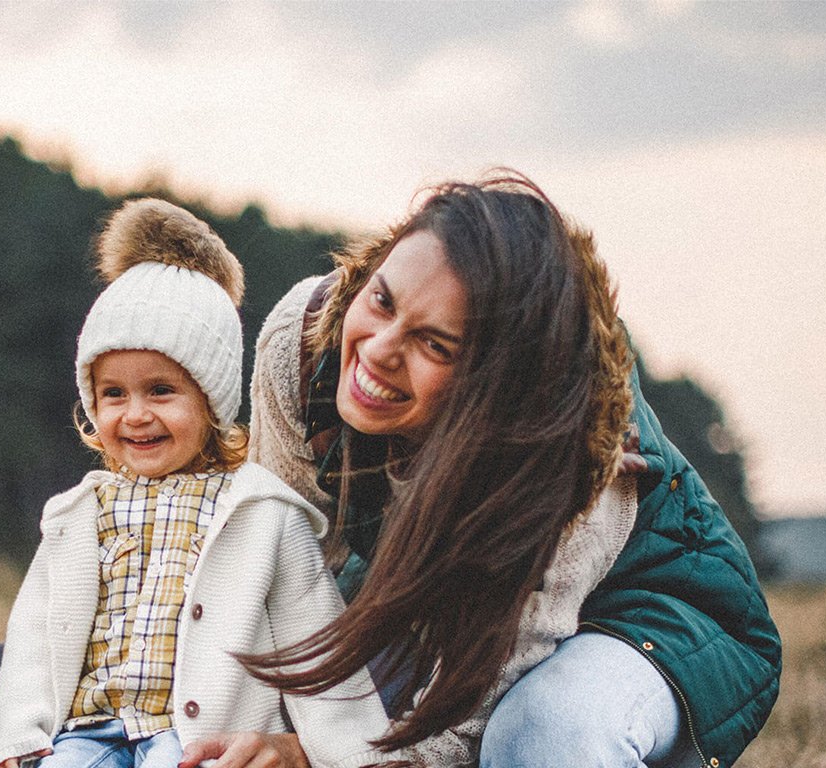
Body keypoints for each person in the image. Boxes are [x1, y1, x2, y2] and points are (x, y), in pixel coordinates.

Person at [181, 174, 780, 768]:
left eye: (434, 345)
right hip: (442, 610)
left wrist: (324, 756)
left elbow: (470, 708)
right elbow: (277, 571)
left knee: (535, 733)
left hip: (647, 614)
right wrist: (268, 737)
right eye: (382, 300)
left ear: (493, 382)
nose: (378, 350)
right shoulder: (304, 340)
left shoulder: (568, 462)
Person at [0, 200, 393, 768]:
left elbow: (312, 639)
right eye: (114, 394)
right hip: (88, 729)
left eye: (161, 391)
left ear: (212, 400)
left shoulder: (261, 512)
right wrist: (15, 741)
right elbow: (34, 635)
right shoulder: (81, 513)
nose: (136, 414)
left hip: (196, 738)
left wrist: (359, 754)